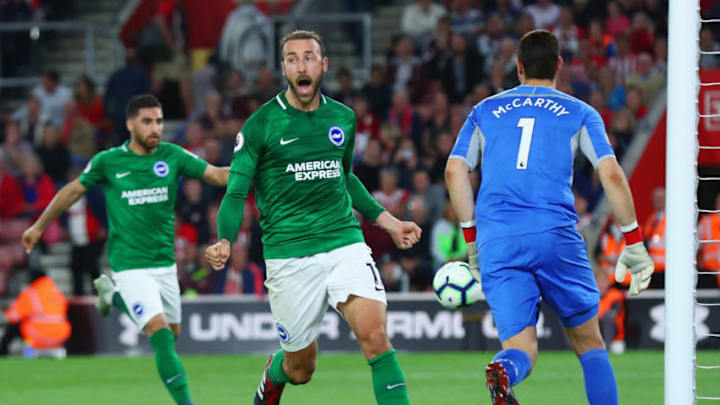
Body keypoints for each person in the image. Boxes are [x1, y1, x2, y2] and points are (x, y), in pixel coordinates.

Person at [204, 30, 421, 405]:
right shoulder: (261, 124)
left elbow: (345, 177)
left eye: (308, 57)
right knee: (301, 369)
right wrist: (225, 238)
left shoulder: (342, 118)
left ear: (322, 65)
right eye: (292, 58)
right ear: (284, 68)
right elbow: (237, 191)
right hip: (289, 255)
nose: (300, 65)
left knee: (375, 337)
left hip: (344, 243)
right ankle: (275, 373)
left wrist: (389, 221)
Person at [445, 30, 654, 405]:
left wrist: (473, 241)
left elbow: (454, 171)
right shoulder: (580, 112)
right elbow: (611, 174)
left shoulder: (484, 111)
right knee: (590, 343)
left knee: (521, 347)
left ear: (518, 66)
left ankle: (505, 371)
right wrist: (634, 242)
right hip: (554, 234)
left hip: (499, 239)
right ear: (559, 65)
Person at [20, 94, 229, 405]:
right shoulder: (109, 162)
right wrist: (38, 226)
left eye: (159, 121)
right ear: (131, 124)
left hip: (164, 264)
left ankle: (113, 298)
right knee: (159, 335)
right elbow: (74, 190)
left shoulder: (172, 155)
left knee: (171, 335)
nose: (155, 127)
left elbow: (216, 174)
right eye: (147, 121)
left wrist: (258, 169)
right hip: (129, 264)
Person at [0, 271, 71, 357]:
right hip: (61, 334)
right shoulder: (58, 293)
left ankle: (3, 353)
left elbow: (13, 316)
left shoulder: (31, 293)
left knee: (16, 326)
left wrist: (5, 314)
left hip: (38, 333)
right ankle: (68, 351)